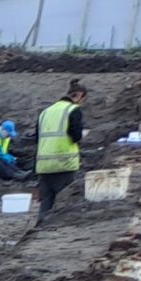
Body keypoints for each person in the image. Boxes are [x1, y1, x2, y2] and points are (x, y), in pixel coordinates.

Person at [36, 80, 88, 213]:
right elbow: (75, 136)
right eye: (83, 100)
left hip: (43, 165)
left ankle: (41, 225)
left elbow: (37, 138)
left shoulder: (45, 112)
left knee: (46, 203)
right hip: (63, 163)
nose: (82, 103)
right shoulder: (73, 110)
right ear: (79, 95)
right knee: (63, 205)